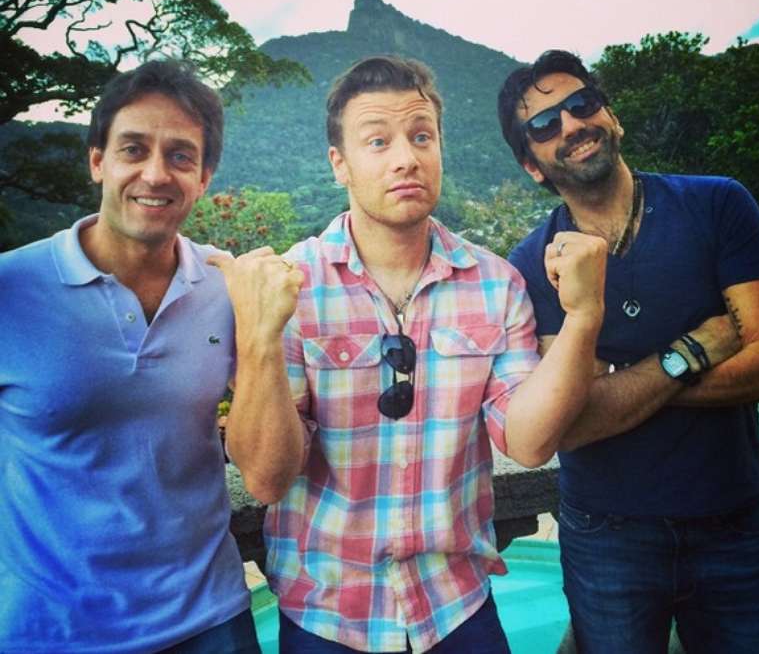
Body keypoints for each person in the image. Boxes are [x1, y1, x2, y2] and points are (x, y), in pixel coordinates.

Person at [209, 55, 607, 653]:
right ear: (339, 164)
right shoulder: (292, 286)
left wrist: (583, 316)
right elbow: (266, 478)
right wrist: (259, 334)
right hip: (326, 613)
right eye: (378, 141)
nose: (406, 158)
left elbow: (527, 443)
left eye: (422, 136)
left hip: (456, 605)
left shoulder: (496, 285)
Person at [498, 49, 759, 654]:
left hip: (733, 519)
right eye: (544, 124)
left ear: (611, 115)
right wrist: (692, 350)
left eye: (582, 104)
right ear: (532, 165)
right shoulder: (531, 264)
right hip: (607, 537)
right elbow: (572, 422)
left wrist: (616, 385)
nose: (572, 124)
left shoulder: (717, 205)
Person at [0, 60, 265, 653]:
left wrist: (264, 331)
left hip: (211, 620)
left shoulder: (226, 287)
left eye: (180, 156)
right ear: (98, 161)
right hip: (51, 632)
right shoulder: (10, 290)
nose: (155, 173)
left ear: (204, 177)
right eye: (133, 149)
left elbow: (267, 464)